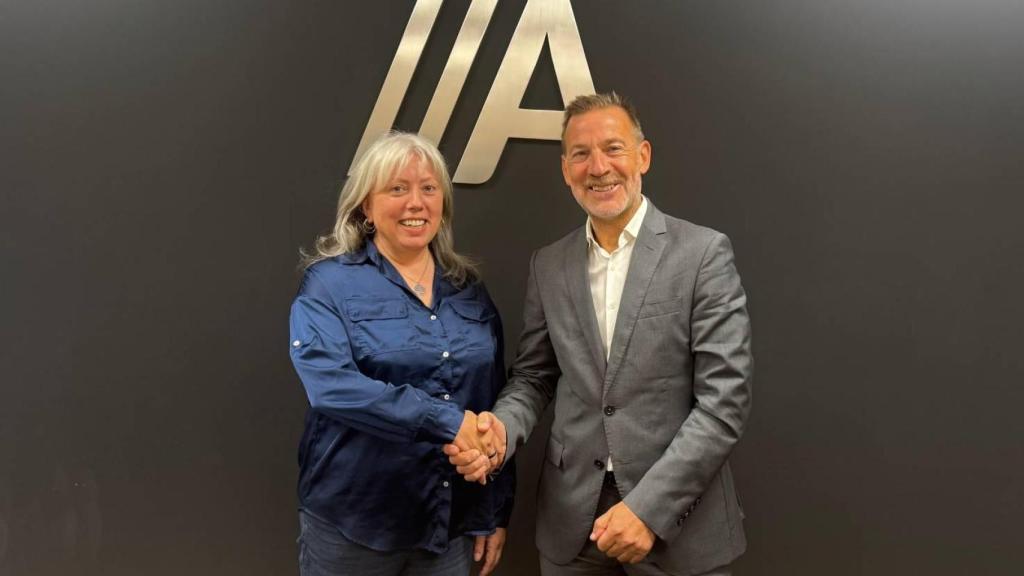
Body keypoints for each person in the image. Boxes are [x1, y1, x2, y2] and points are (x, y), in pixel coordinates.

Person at [446, 93, 753, 576]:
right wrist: (500, 431)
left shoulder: (702, 255)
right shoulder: (548, 264)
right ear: (566, 169)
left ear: (642, 157)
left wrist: (648, 509)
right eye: (581, 154)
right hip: (572, 528)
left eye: (613, 148)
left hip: (678, 526)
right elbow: (534, 376)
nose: (599, 167)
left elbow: (724, 403)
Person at [289, 131, 514, 576]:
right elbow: (331, 387)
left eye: (429, 189)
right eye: (397, 188)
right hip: (353, 528)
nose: (416, 202)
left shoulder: (469, 291)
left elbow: (492, 403)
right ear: (366, 207)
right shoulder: (329, 284)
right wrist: (446, 422)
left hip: (447, 531)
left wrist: (494, 509)